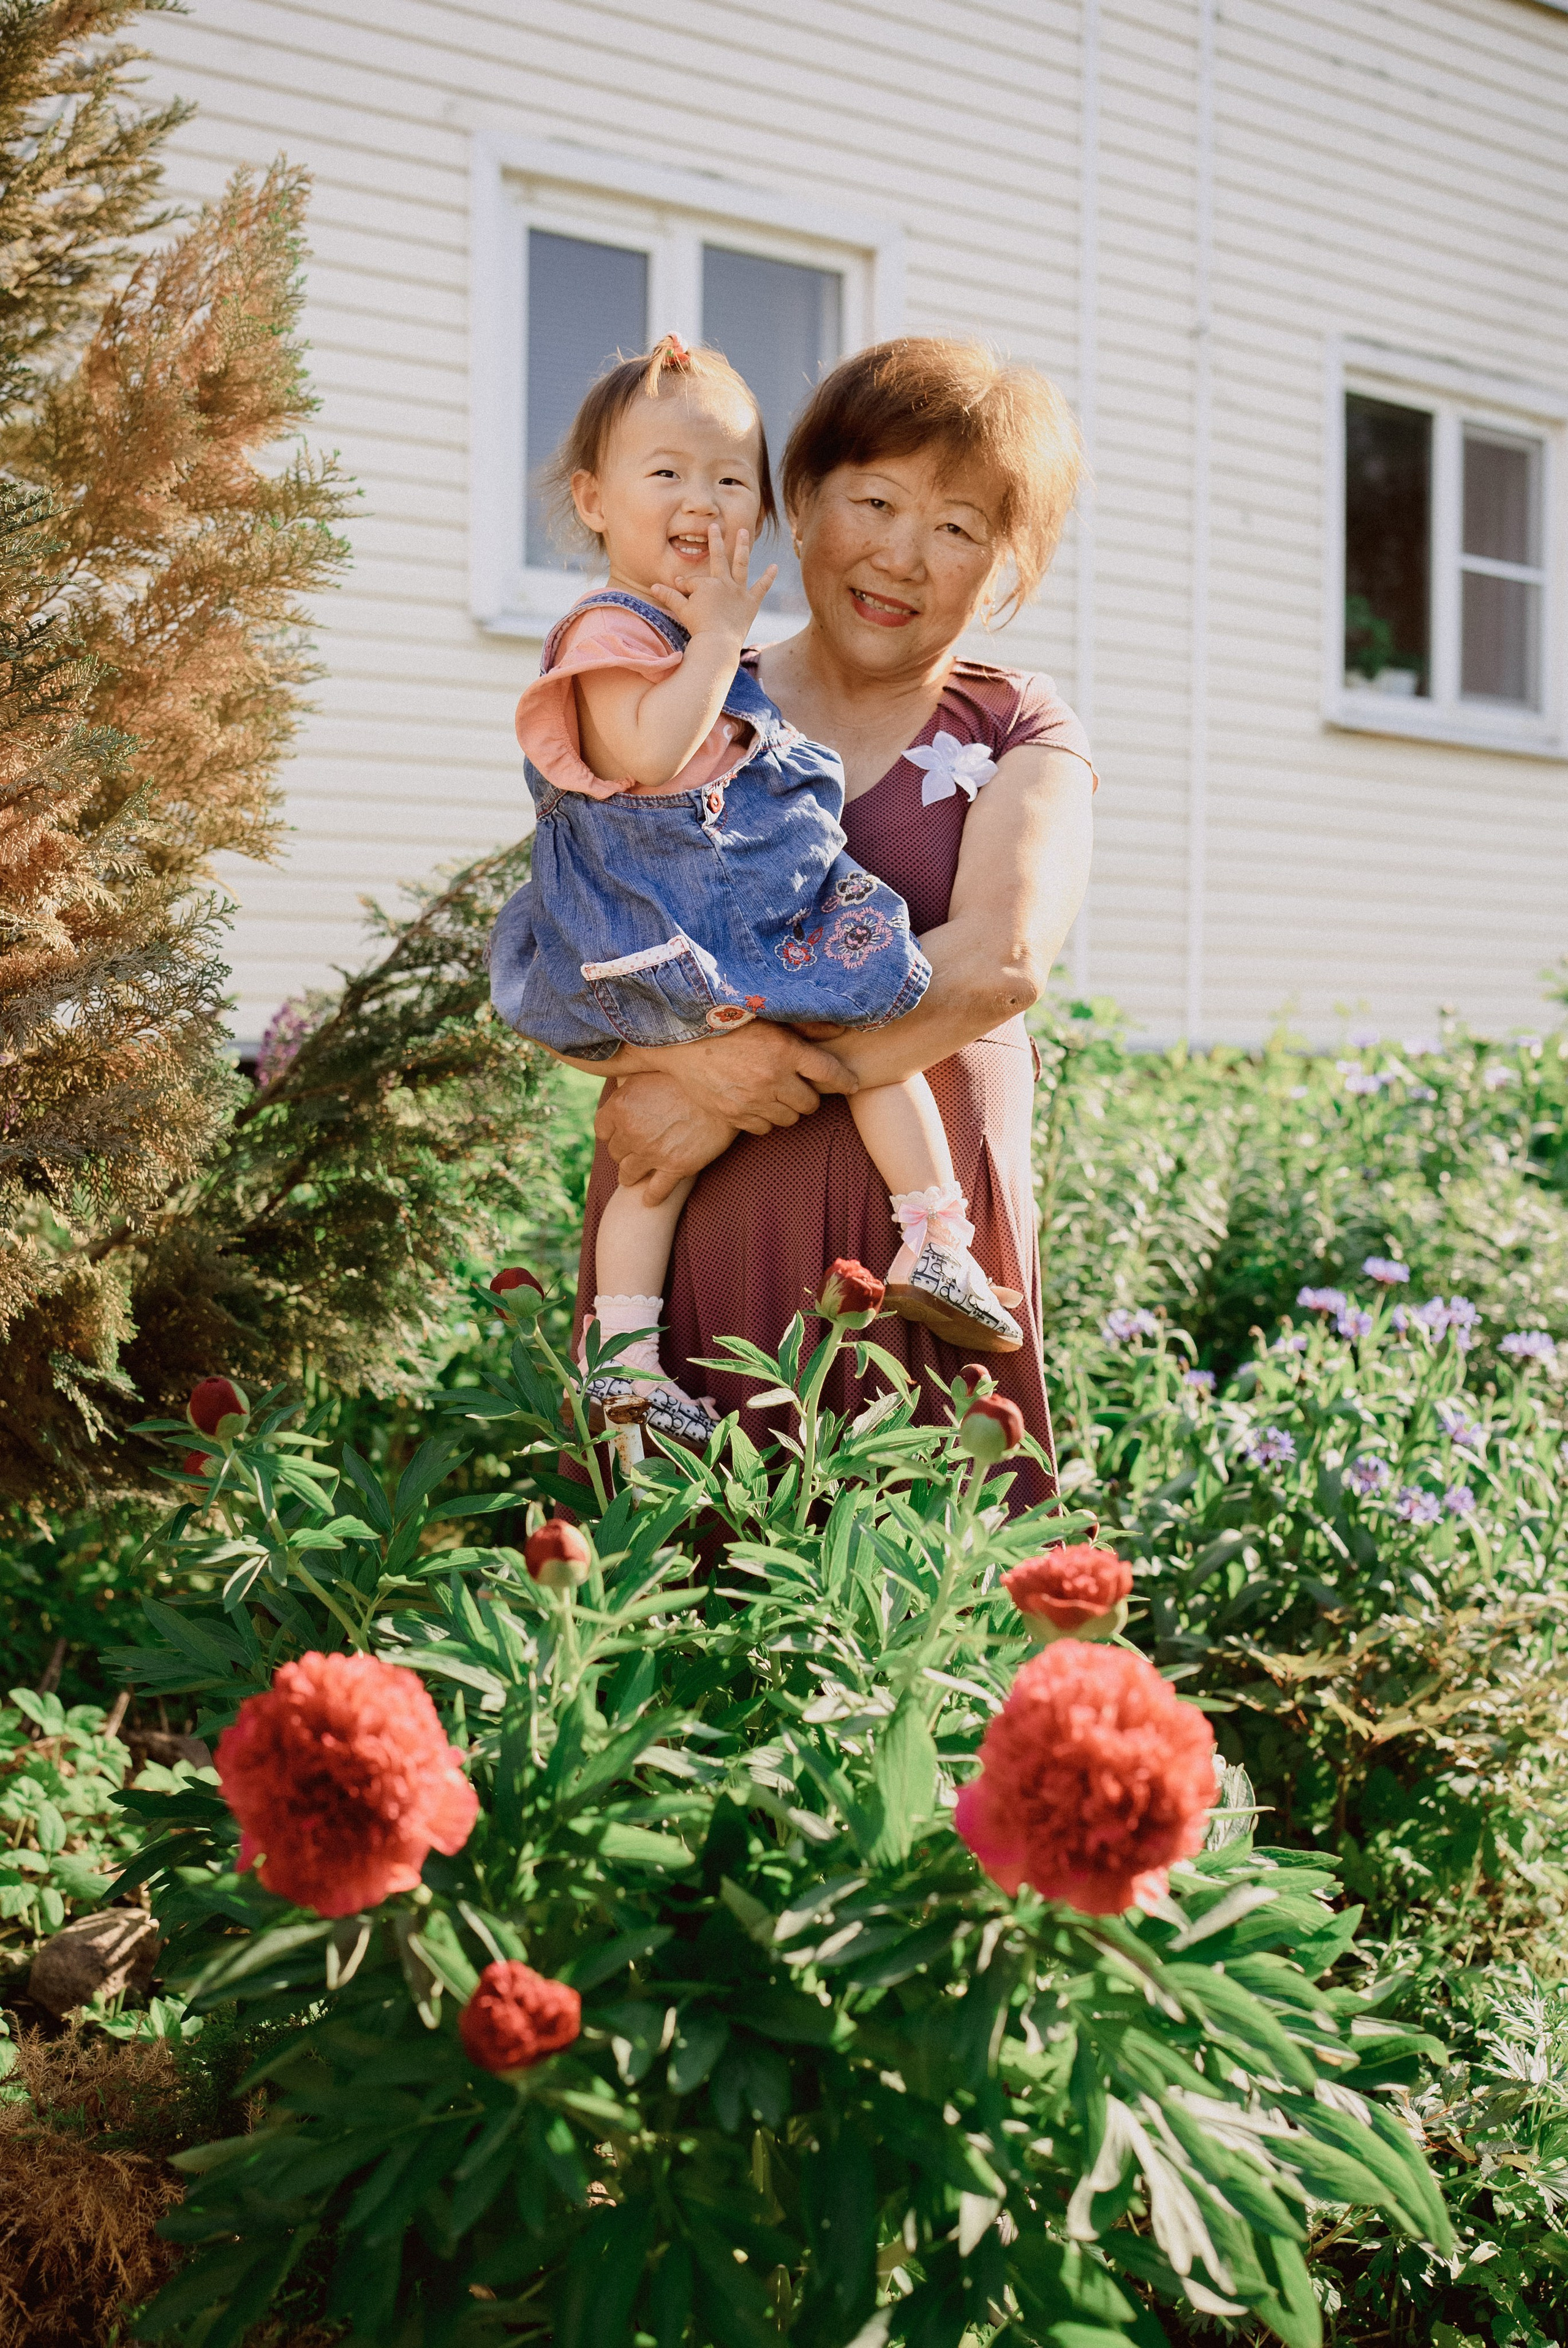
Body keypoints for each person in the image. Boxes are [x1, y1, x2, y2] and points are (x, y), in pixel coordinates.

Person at [564, 337, 1096, 1511]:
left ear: (1001, 563)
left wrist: (717, 1084)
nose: (903, 554)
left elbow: (996, 965)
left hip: (927, 1260)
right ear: (798, 505)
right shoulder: (681, 696)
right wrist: (670, 1063)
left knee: (913, 1625)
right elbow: (575, 939)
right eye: (876, 500)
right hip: (699, 1227)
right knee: (678, 1599)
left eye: (959, 527)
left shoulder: (1018, 726)